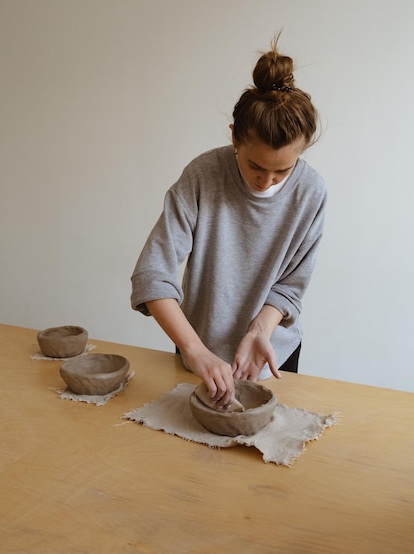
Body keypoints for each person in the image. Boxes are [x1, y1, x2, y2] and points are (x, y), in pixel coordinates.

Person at [131, 36, 326, 408]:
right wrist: (196, 350)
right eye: (255, 166)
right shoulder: (203, 175)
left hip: (273, 354)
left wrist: (259, 328)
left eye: (282, 170)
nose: (266, 182)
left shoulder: (311, 191)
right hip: (197, 354)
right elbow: (152, 275)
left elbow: (290, 286)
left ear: (303, 151)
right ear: (234, 135)